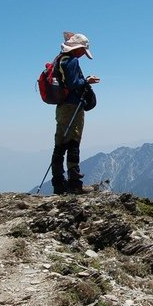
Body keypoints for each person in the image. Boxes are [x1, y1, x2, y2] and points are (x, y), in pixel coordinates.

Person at [51, 31, 100, 194]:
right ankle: (75, 183)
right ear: (77, 48)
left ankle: (58, 183)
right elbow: (73, 84)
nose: (83, 55)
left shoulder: (59, 59)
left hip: (62, 107)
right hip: (73, 107)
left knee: (60, 144)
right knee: (73, 142)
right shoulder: (71, 61)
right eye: (82, 51)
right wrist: (87, 80)